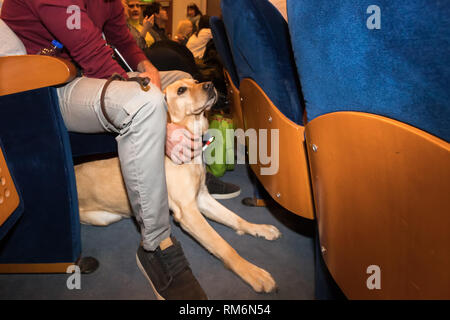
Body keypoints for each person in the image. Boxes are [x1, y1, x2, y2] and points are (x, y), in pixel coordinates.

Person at [0, 0, 238, 300]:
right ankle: (156, 245)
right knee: (145, 104)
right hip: (43, 87)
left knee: (178, 78)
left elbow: (121, 38)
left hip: (81, 72)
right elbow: (92, 53)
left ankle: (190, 171)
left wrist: (146, 67)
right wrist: (158, 121)